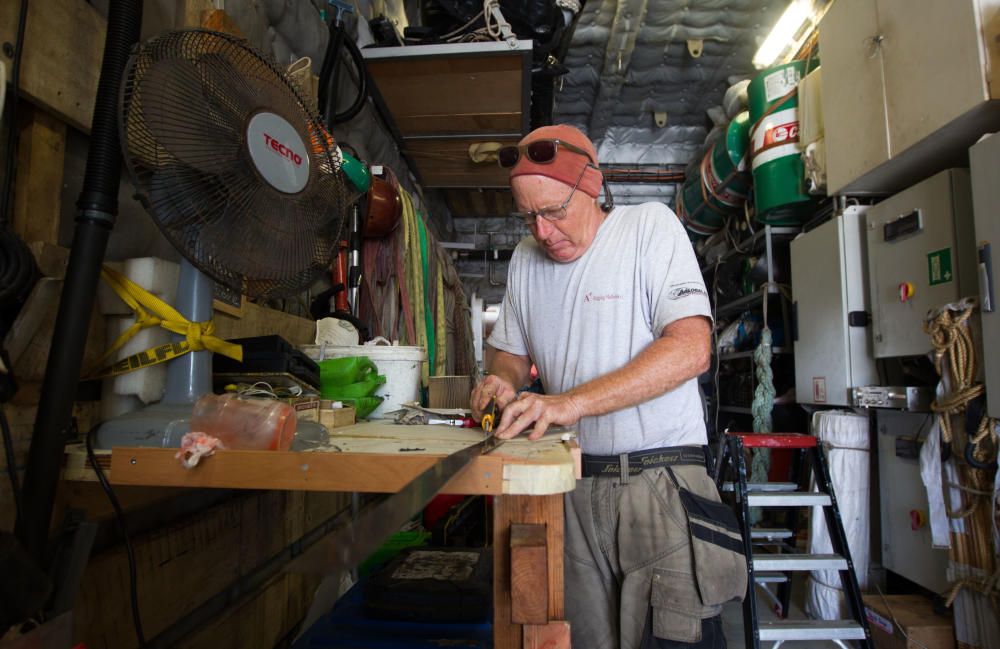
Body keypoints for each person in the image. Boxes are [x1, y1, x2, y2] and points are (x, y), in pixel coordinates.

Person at [471, 124, 743, 649]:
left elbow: (691, 347)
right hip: (572, 485)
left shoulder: (648, 229)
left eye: (553, 213)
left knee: (673, 639)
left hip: (659, 484)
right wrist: (499, 381)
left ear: (593, 187)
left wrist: (569, 403)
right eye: (528, 216)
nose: (542, 231)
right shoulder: (526, 260)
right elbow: (509, 352)